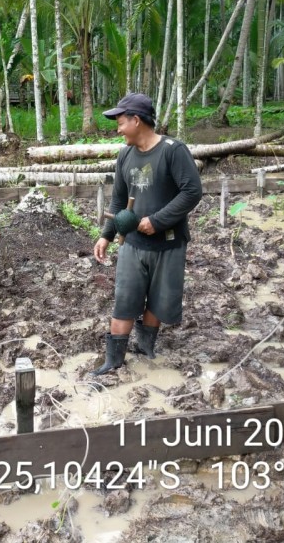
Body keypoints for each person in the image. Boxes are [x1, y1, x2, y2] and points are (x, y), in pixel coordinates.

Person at [92, 93, 202, 375]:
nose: (117, 129)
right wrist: (106, 234)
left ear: (136, 120)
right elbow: (118, 201)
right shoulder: (125, 155)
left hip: (168, 244)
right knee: (125, 299)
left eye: (120, 122)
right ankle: (114, 361)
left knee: (158, 300)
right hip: (133, 243)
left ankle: (146, 347)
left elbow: (192, 191)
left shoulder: (172, 150)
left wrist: (157, 220)